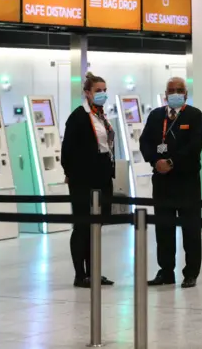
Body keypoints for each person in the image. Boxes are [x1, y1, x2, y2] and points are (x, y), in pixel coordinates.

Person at [139, 77, 202, 288]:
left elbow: (195, 146)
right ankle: (166, 271)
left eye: (179, 90)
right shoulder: (156, 116)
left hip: (187, 182)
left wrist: (171, 161)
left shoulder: (194, 116)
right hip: (162, 182)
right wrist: (154, 161)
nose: (175, 93)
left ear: (185, 94)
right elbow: (145, 142)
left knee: (190, 230)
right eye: (171, 90)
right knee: (164, 229)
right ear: (165, 94)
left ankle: (191, 272)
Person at [61, 72, 115, 288]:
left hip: (102, 174)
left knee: (96, 226)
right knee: (83, 226)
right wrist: (72, 173)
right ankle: (80, 274)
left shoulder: (100, 115)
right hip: (84, 178)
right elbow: (68, 151)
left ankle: (94, 271)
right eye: (97, 91)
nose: (102, 94)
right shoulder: (79, 116)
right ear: (87, 93)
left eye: (104, 90)